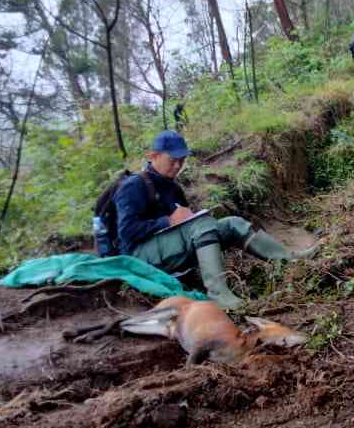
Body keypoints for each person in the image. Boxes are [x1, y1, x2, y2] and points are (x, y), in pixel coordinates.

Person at [114, 131, 317, 309]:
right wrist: (168, 221)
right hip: (139, 257)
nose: (177, 165)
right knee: (201, 224)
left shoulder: (173, 187)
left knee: (233, 223)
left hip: (166, 249)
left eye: (182, 160)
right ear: (153, 156)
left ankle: (288, 259)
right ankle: (219, 295)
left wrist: (187, 220)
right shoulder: (134, 185)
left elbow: (186, 226)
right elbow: (127, 233)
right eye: (172, 160)